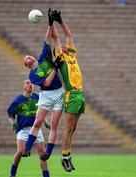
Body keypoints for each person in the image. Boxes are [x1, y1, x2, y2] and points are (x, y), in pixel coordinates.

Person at [22, 9, 63, 161]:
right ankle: (27, 148)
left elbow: (48, 38)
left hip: (59, 93)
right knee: (38, 122)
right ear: (27, 65)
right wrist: (55, 68)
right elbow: (46, 82)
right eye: (26, 59)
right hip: (46, 95)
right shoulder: (32, 75)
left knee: (54, 125)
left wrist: (50, 22)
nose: (29, 57)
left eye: (29, 56)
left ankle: (48, 153)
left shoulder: (44, 57)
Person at [51, 10, 86, 172]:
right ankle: (64, 156)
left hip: (80, 94)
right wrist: (51, 24)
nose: (64, 46)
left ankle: (68, 154)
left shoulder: (71, 54)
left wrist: (61, 21)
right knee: (68, 126)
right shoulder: (60, 57)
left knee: (74, 128)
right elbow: (57, 39)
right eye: (61, 47)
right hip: (71, 94)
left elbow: (69, 36)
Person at [7, 79, 50, 177]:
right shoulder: (17, 101)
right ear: (23, 86)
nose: (30, 85)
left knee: (43, 154)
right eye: (27, 83)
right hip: (23, 129)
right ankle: (12, 174)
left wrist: (46, 122)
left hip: (36, 128)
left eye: (31, 83)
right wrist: (13, 123)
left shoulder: (37, 98)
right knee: (20, 151)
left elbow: (42, 112)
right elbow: (10, 115)